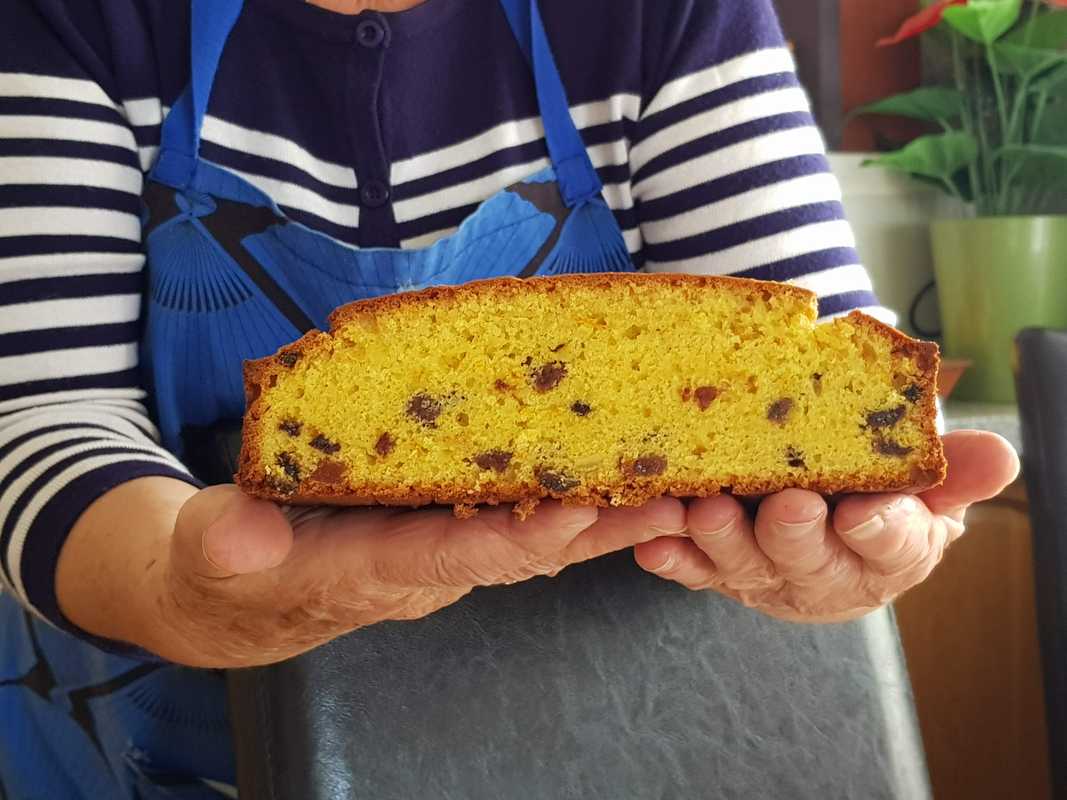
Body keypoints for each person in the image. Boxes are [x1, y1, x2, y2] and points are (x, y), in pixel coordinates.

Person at [0, 0, 1018, 796]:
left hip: (617, 742)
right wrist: (184, 594)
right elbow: (43, 410)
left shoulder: (664, 12)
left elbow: (818, 352)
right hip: (151, 740)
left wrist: (858, 540)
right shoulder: (76, 16)